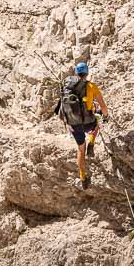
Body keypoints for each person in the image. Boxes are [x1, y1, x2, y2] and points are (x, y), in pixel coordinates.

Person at [53, 61, 109, 189]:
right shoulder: (91, 86)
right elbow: (103, 107)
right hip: (89, 122)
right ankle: (92, 142)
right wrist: (105, 116)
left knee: (80, 150)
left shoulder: (67, 87)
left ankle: (83, 177)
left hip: (74, 125)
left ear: (76, 73)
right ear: (87, 73)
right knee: (97, 122)